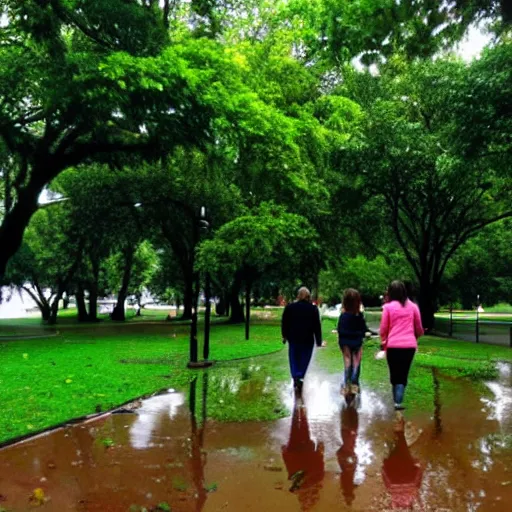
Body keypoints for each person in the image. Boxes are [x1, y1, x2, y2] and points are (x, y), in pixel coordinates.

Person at [380, 281, 424, 413]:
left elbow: (383, 329)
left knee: (395, 376)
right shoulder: (413, 307)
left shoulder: (388, 307)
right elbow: (419, 328)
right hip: (409, 347)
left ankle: (397, 403)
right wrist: (415, 337)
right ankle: (398, 403)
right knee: (402, 375)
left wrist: (384, 340)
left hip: (392, 346)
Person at [282, 401, 325, 510]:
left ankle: (299, 406)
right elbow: (318, 464)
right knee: (299, 427)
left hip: (298, 450)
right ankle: (299, 407)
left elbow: (291, 468)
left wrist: (319, 450)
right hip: (300, 451)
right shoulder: (311, 482)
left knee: (299, 427)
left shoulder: (308, 483)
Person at [281, 287, 324, 392]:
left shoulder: (290, 307)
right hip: (307, 339)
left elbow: (284, 323)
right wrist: (318, 341)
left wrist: (284, 336)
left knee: (293, 357)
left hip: (293, 337)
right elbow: (317, 326)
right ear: (308, 297)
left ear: (298, 296)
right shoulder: (313, 309)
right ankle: (300, 376)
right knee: (305, 358)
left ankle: (295, 376)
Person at [337, 288, 371, 396]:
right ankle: (354, 383)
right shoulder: (359, 315)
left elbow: (339, 329)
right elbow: (364, 328)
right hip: (357, 341)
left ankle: (347, 384)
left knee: (347, 362)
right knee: (356, 362)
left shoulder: (343, 315)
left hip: (345, 342)